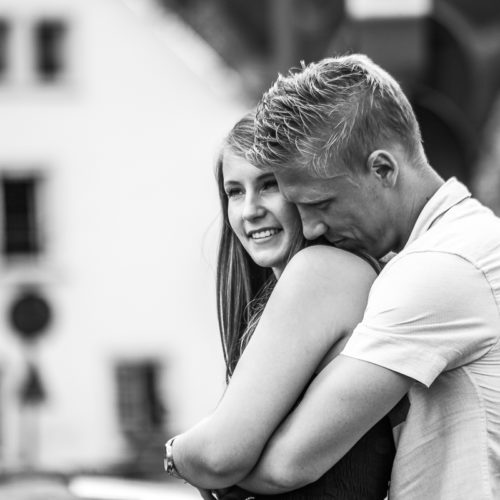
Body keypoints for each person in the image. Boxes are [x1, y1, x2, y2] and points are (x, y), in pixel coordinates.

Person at [245, 54, 500, 499]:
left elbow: (288, 464)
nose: (310, 229)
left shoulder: (439, 269)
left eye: (321, 204)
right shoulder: (473, 241)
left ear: (383, 168)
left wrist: (188, 457)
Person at [164, 111, 395, 498]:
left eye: (268, 185)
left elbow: (220, 455)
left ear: (304, 189)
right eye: (234, 192)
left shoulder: (322, 271)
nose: (249, 210)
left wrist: (174, 454)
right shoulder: (316, 278)